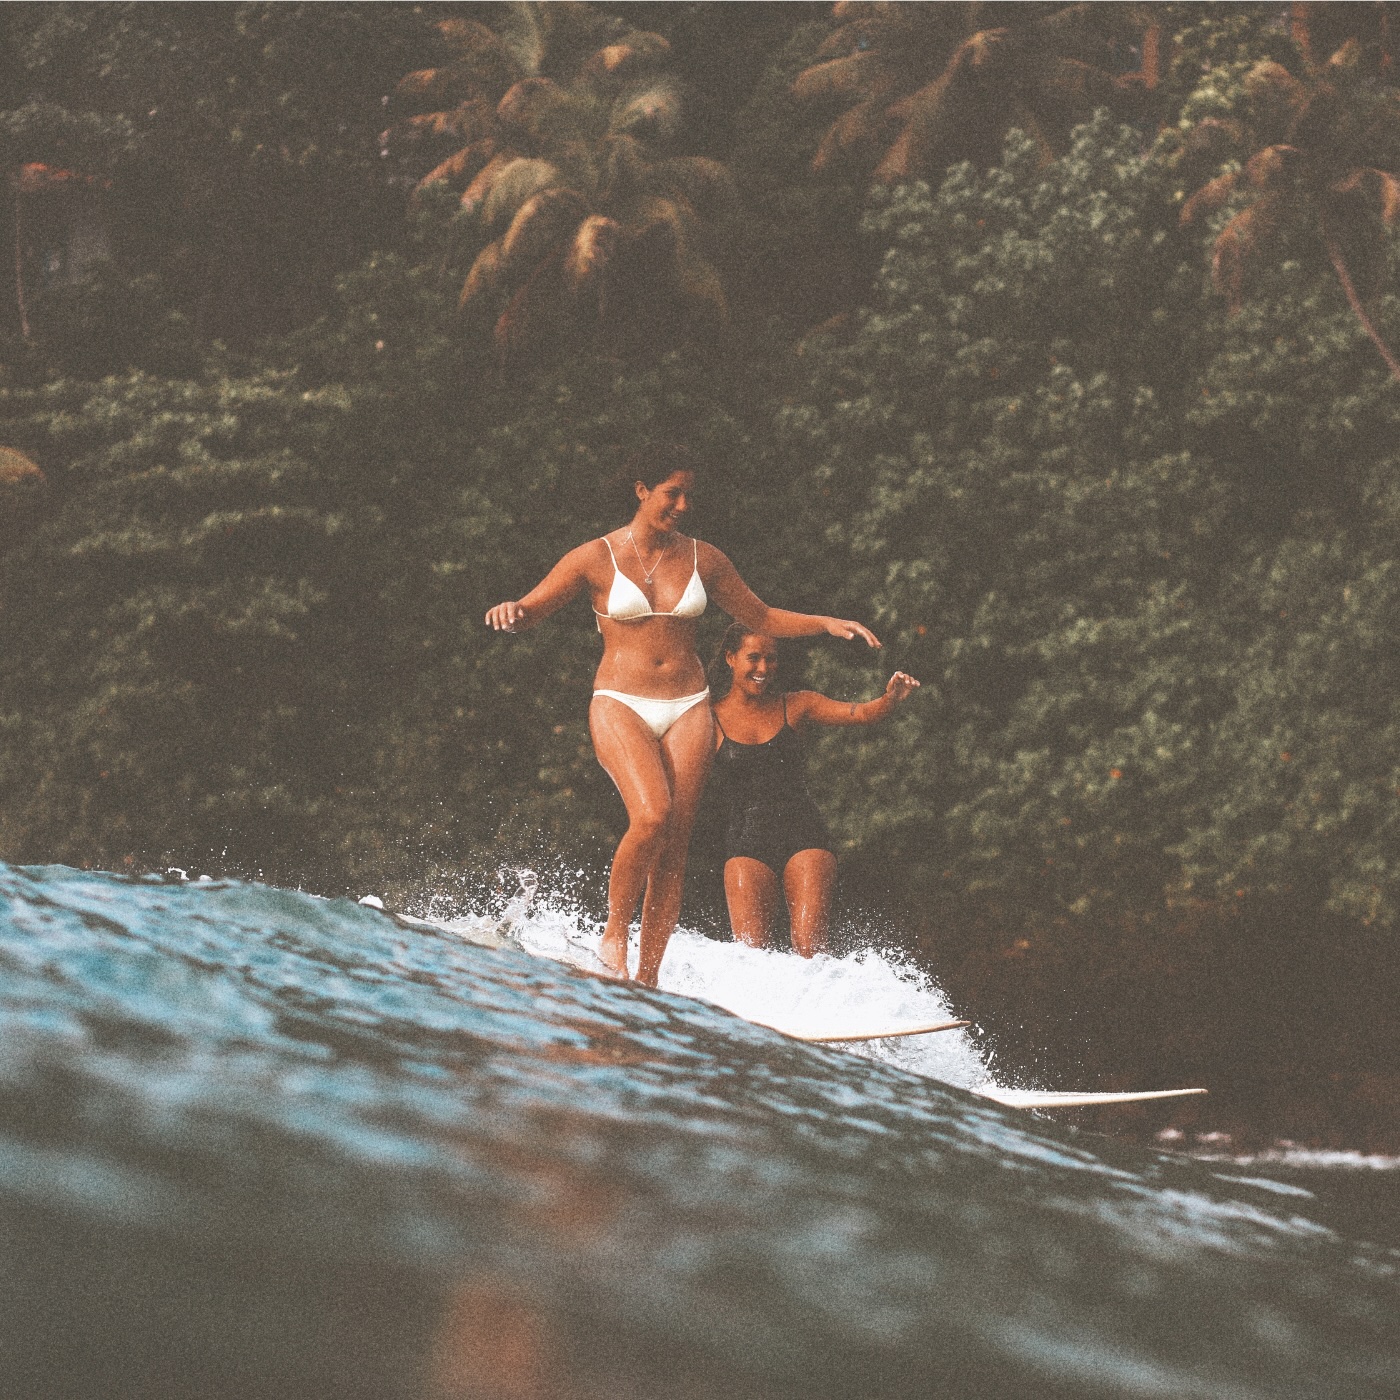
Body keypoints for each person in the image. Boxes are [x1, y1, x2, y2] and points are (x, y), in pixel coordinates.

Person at [484, 447, 880, 986]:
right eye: (673, 493)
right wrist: (511, 612)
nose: (683, 505)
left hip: (688, 703)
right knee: (651, 815)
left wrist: (826, 623)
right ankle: (613, 940)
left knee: (676, 840)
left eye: (688, 495)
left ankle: (646, 979)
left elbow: (760, 615)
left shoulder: (705, 559)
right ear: (642, 489)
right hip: (620, 701)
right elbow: (529, 611)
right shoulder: (593, 557)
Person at [711, 625, 920, 957]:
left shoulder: (798, 705)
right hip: (746, 841)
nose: (763, 668)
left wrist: (890, 699)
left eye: (771, 659)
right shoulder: (707, 718)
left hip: (804, 834)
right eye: (753, 658)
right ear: (730, 658)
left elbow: (863, 713)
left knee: (810, 950)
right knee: (750, 956)